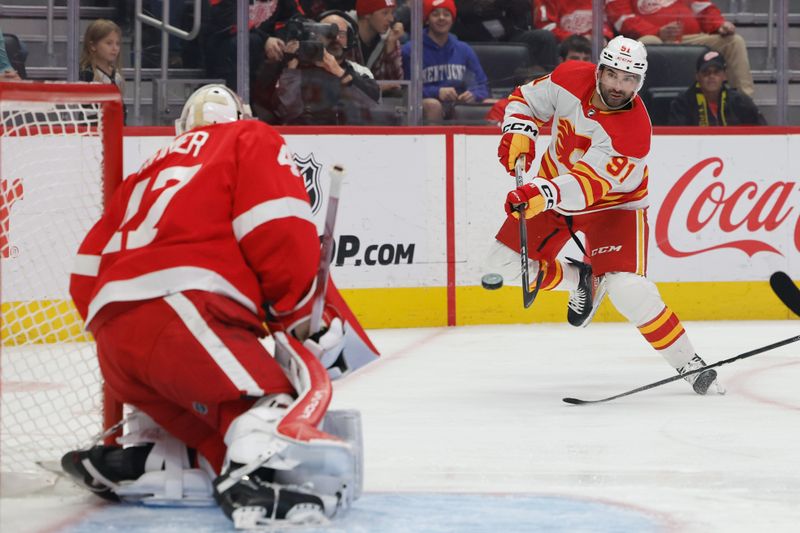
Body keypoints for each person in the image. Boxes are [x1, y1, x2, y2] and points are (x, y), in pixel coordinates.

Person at [60, 84, 380, 528]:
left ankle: (157, 459)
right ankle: (251, 483)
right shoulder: (249, 137)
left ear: (183, 127)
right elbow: (277, 225)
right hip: (184, 316)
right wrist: (299, 316)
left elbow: (84, 274)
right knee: (267, 407)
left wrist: (120, 327)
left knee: (213, 423)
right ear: (240, 115)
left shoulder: (146, 172)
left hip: (115, 345)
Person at [488, 36, 723, 395]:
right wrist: (519, 130)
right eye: (613, 75)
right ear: (599, 70)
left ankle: (689, 363)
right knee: (498, 268)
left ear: (639, 83)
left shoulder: (634, 132)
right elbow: (526, 100)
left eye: (629, 79)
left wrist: (542, 193)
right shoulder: (569, 77)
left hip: (614, 207)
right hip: (551, 191)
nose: (618, 86)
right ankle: (579, 279)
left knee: (629, 290)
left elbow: (588, 186)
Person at [605, 0, 754, 97]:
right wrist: (657, 31)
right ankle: (635, 104)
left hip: (690, 38)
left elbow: (704, 9)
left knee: (734, 41)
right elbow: (621, 19)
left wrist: (719, 24)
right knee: (648, 44)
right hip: (653, 38)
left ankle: (745, 104)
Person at [254, 12, 380, 124]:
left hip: (350, 140)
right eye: (328, 32)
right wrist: (291, 68)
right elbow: (286, 112)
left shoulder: (360, 71)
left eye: (341, 33)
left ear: (350, 38)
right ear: (315, 36)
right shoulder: (297, 70)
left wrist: (339, 72)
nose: (335, 38)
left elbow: (372, 105)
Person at [401, 0, 489, 123]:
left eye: (446, 14)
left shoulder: (464, 49)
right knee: (433, 105)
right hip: (422, 106)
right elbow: (406, 89)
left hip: (457, 107)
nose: (441, 18)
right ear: (427, 19)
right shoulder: (411, 50)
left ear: (452, 19)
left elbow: (482, 86)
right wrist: (437, 92)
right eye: (436, 14)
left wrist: (473, 94)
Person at [485, 34, 592, 126]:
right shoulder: (503, 108)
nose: (582, 64)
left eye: (586, 59)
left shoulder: (584, 103)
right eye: (574, 58)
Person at [202, 0, 302, 90]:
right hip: (223, 47)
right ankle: (239, 101)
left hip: (263, 52)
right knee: (249, 41)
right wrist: (265, 40)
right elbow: (227, 18)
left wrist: (284, 41)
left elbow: (294, 17)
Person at [449, 0, 559, 74]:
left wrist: (497, 3)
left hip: (508, 36)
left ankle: (546, 86)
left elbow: (525, 6)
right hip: (473, 37)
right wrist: (483, 6)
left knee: (545, 38)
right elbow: (459, 8)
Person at [668, 50, 765, 126]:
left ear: (725, 76)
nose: (711, 76)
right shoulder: (682, 103)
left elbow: (761, 131)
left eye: (716, 72)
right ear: (697, 76)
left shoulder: (741, 102)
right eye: (706, 72)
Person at [354, 0, 404, 89]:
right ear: (367, 14)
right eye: (385, 13)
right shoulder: (344, 35)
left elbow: (397, 85)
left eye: (392, 13)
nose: (391, 19)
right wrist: (375, 87)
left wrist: (390, 50)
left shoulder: (390, 38)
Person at [533, 0, 614, 44]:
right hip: (564, 47)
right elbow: (545, 27)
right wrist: (578, 39)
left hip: (594, 45)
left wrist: (604, 36)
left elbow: (607, 22)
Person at [79, 19, 125, 95]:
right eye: (109, 43)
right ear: (93, 46)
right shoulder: (86, 73)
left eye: (117, 44)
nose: (115, 48)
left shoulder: (116, 74)